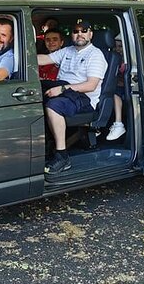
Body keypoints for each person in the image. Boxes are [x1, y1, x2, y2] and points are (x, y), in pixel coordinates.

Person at [38, 20, 107, 174]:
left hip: (84, 97)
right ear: (72, 34)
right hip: (65, 89)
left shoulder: (96, 55)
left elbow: (91, 85)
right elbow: (45, 59)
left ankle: (62, 156)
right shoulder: (68, 51)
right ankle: (42, 148)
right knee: (34, 92)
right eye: (76, 31)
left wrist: (62, 88)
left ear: (90, 34)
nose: (79, 34)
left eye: (84, 31)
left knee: (53, 105)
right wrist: (22, 57)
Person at [106, 34, 126, 140]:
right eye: (116, 46)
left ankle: (119, 123)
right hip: (115, 85)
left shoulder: (128, 62)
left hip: (124, 88)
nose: (117, 49)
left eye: (120, 46)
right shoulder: (112, 58)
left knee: (114, 94)